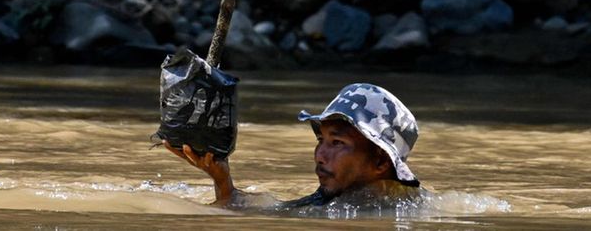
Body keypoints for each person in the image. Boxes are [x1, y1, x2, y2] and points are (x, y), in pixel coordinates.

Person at [164, 82, 424, 211]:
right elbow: (272, 211)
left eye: (337, 142)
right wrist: (221, 178)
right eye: (320, 140)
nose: (320, 155)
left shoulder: (375, 209)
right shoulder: (331, 199)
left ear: (380, 162)